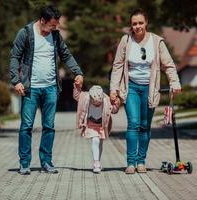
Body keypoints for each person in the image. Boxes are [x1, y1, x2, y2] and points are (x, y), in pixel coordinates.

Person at [9, 5, 83, 175]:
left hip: (50, 88)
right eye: (52, 25)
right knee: (26, 126)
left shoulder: (55, 36)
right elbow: (14, 57)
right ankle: (25, 163)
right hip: (30, 89)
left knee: (49, 126)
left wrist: (78, 72)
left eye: (56, 25)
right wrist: (16, 81)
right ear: (42, 20)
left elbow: (66, 55)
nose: (54, 28)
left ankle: (46, 162)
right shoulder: (26, 33)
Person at [110, 8, 181, 174]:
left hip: (150, 89)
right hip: (131, 87)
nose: (137, 26)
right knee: (133, 124)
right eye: (134, 23)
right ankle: (130, 162)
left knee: (145, 125)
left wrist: (175, 82)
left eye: (140, 23)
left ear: (146, 23)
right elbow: (117, 66)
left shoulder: (157, 42)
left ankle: (141, 161)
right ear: (131, 25)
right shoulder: (126, 41)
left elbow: (168, 65)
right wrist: (114, 89)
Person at [73, 83, 120, 173]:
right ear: (90, 99)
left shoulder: (106, 100)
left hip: (101, 125)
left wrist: (116, 101)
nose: (97, 104)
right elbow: (76, 96)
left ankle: (98, 160)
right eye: (95, 103)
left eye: (99, 103)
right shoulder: (85, 98)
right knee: (95, 140)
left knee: (100, 143)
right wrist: (77, 86)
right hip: (91, 124)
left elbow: (114, 110)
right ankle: (96, 163)